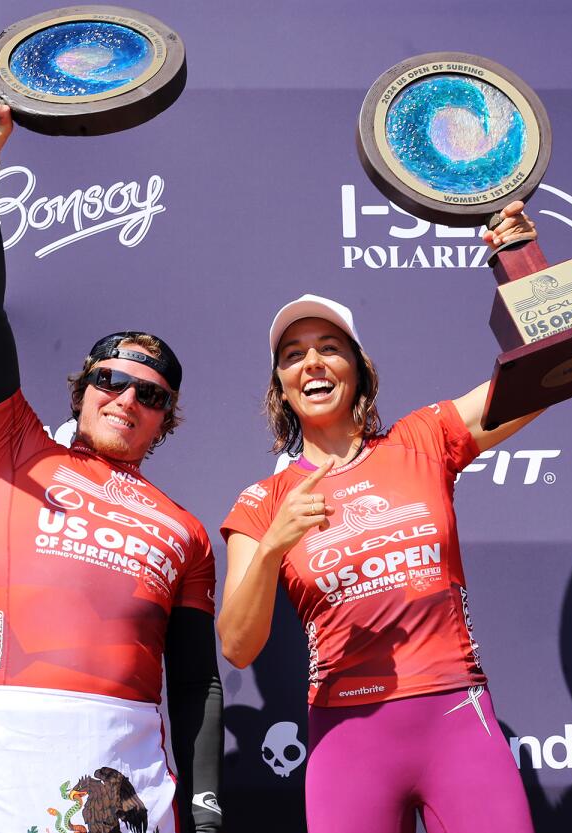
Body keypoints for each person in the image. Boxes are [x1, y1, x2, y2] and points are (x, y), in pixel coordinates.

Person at [217, 204, 542, 833]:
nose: (311, 363)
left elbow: (546, 376)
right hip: (347, 736)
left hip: (455, 713)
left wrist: (520, 261)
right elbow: (237, 644)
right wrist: (273, 547)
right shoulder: (261, 502)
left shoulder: (421, 440)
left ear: (358, 369)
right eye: (293, 356)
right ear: (281, 387)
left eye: (329, 348)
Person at [0, 91, 223, 833]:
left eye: (152, 395)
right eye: (111, 378)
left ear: (165, 421)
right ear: (84, 385)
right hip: (16, 737)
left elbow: (196, 679)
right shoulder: (12, 447)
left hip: (132, 762)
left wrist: (204, 807)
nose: (128, 398)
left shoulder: (187, 531)